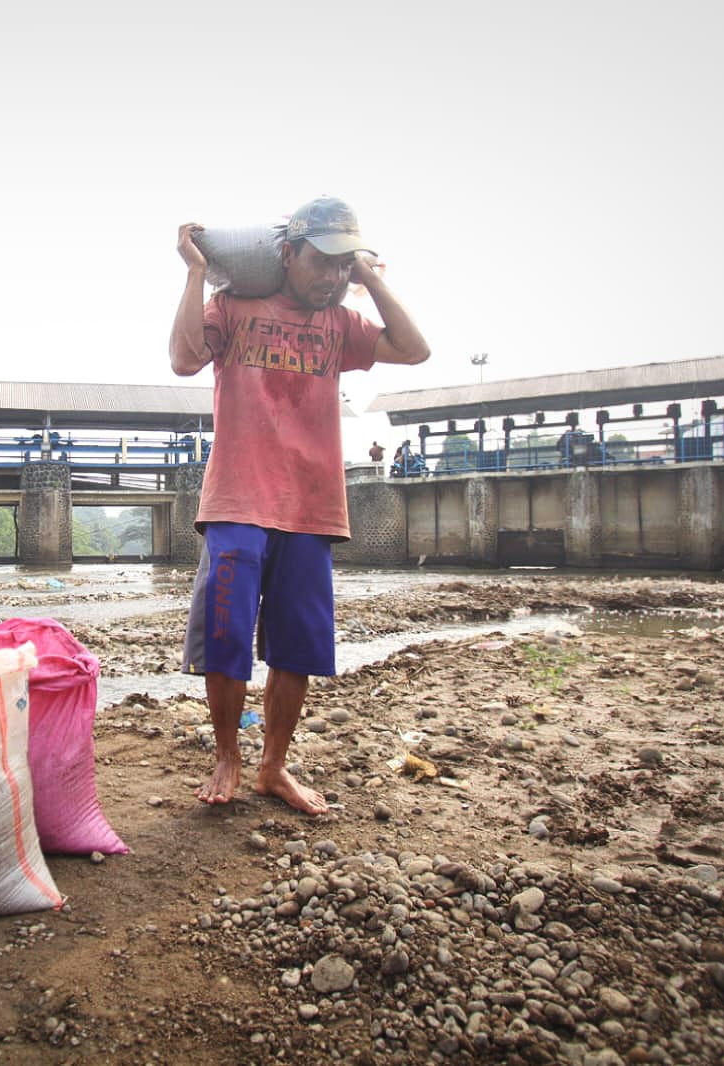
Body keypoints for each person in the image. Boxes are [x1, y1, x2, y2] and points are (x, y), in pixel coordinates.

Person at [171, 196, 431, 815]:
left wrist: (367, 275)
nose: (332, 277)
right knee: (227, 634)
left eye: (343, 267)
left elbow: (414, 349)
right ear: (287, 254)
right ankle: (229, 755)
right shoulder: (234, 307)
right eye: (323, 262)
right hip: (237, 498)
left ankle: (274, 767)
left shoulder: (341, 327)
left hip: (312, 506)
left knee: (299, 644)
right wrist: (193, 272)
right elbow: (183, 360)